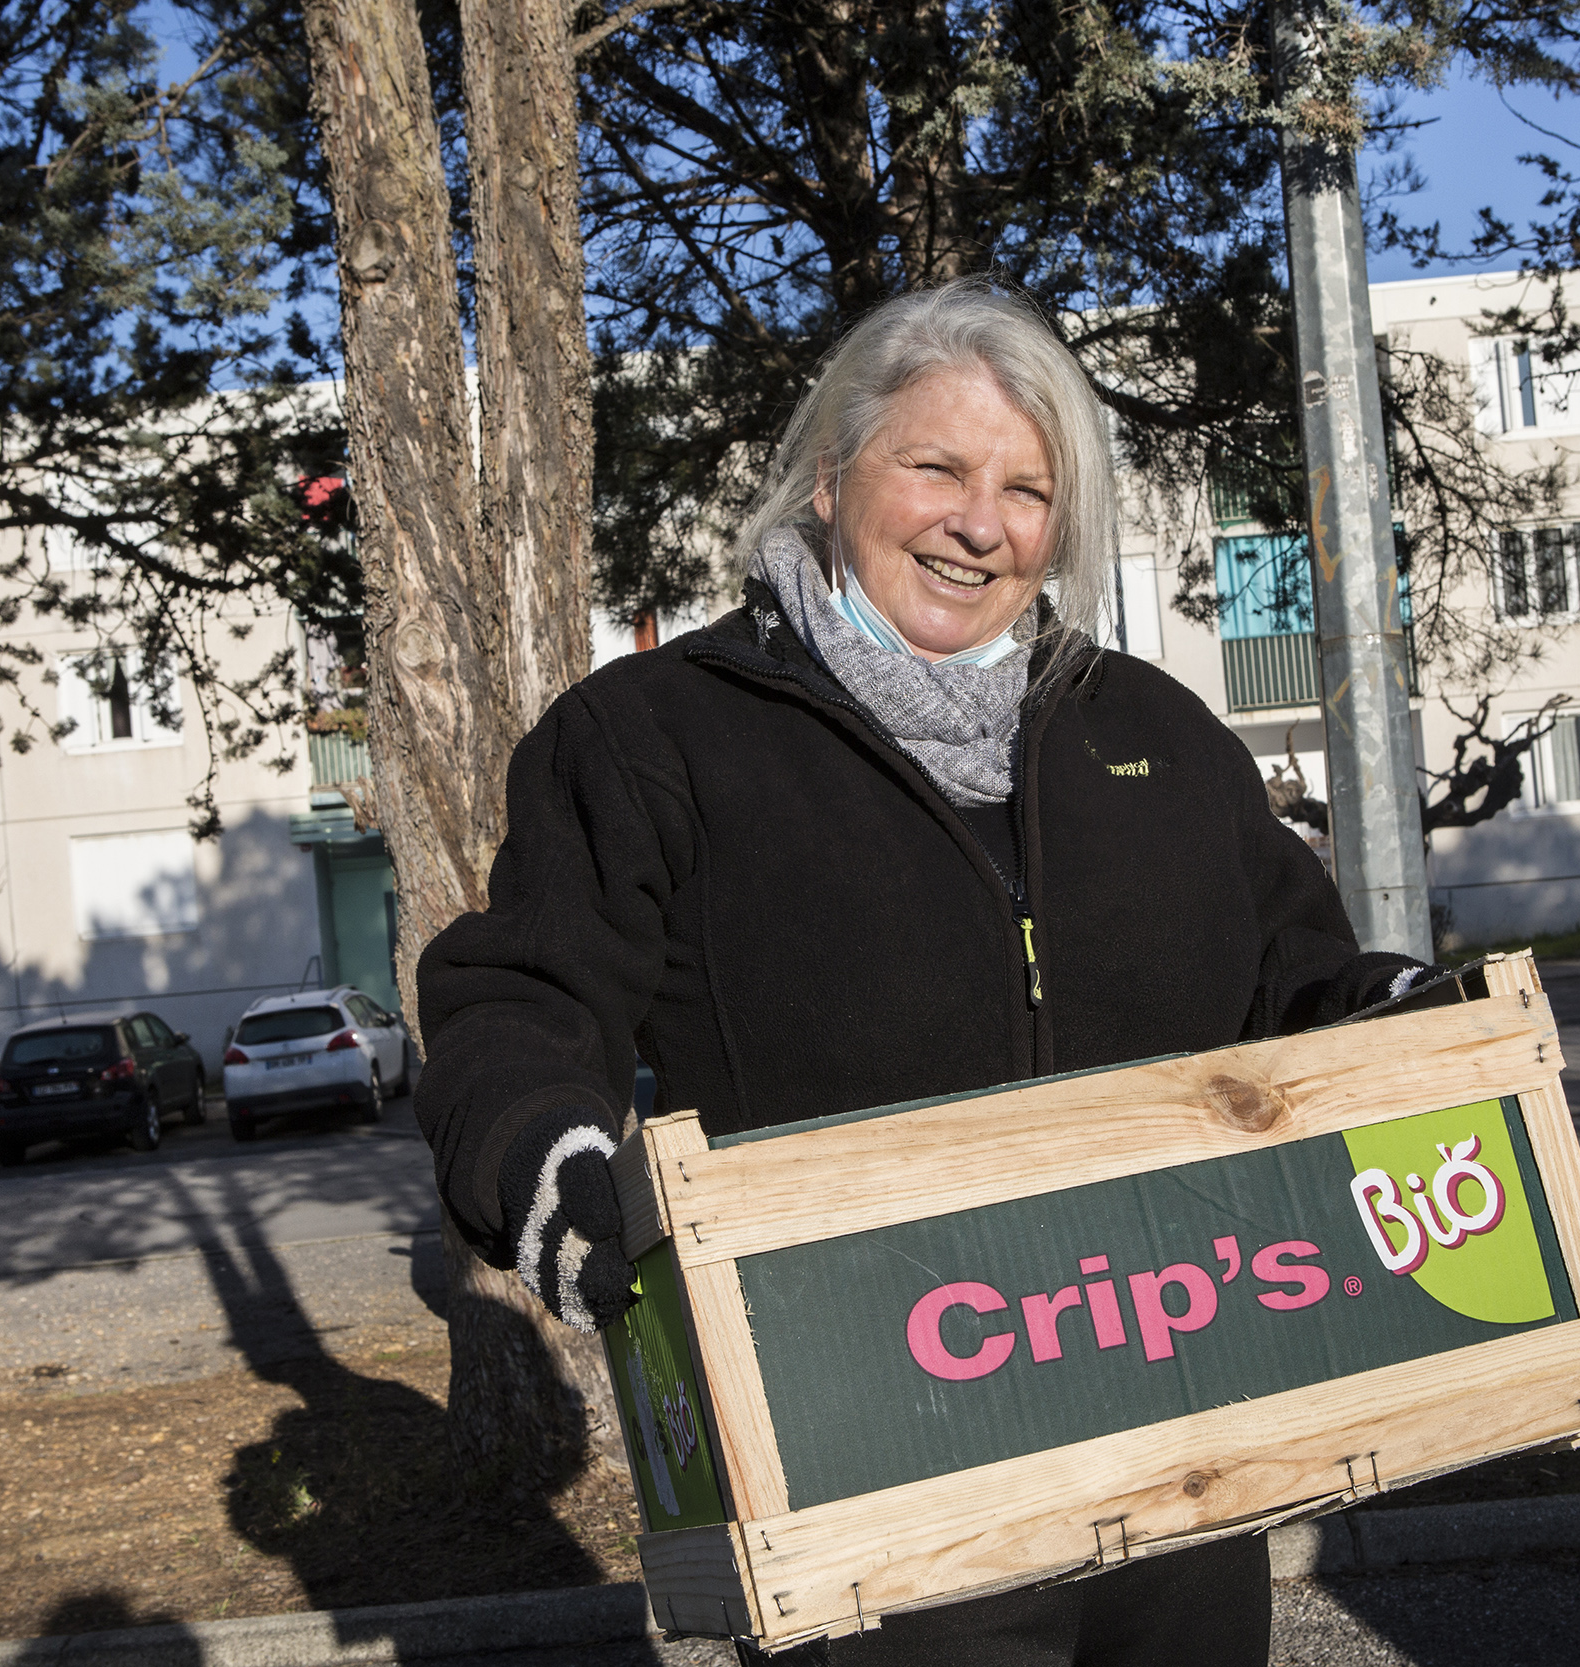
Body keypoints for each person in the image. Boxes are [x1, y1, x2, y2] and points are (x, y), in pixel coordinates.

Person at [411, 278, 1434, 1665]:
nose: (980, 522)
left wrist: (1396, 1023)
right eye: (937, 467)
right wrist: (553, 1163)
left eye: (1025, 487)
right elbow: (520, 1002)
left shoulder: (1151, 731)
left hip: (1186, 1446)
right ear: (831, 478)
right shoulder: (653, 738)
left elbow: (1289, 978)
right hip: (872, 1465)